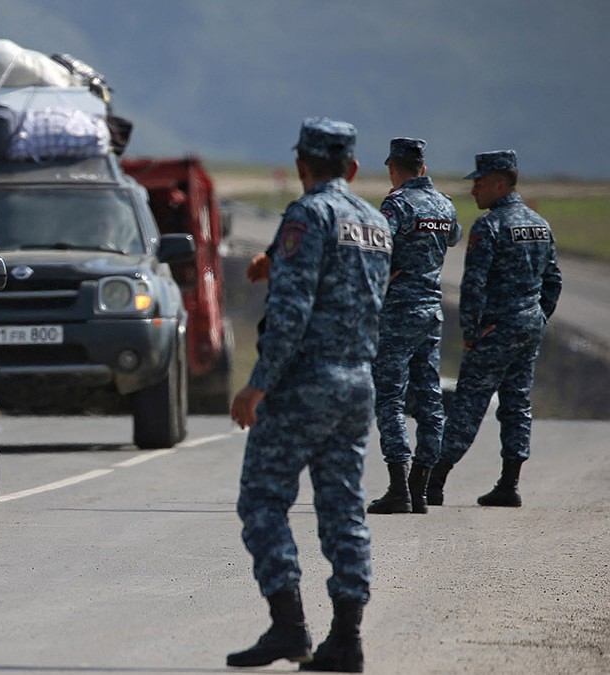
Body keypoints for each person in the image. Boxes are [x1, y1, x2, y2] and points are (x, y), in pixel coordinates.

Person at [227, 117, 390, 672]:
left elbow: (293, 315)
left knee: (263, 500)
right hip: (357, 381)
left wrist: (257, 385)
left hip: (305, 383)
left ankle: (289, 626)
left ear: (301, 165)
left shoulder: (307, 214)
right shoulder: (374, 222)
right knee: (344, 507)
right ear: (352, 168)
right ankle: (347, 638)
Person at [427, 150, 562, 508]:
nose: (474, 191)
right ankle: (509, 483)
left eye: (480, 183)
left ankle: (434, 480)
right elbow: (553, 281)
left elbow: (473, 287)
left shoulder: (490, 227)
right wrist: (536, 315)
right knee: (517, 403)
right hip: (528, 326)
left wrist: (471, 333)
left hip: (495, 329)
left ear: (500, 183)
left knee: (469, 403)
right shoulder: (540, 224)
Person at [367, 138, 461, 516]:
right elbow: (452, 237)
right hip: (431, 312)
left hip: (399, 311)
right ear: (423, 167)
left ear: (393, 167)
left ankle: (397, 487)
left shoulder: (397, 204)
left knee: (389, 396)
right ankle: (419, 487)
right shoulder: (444, 203)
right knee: (429, 397)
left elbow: (377, 248)